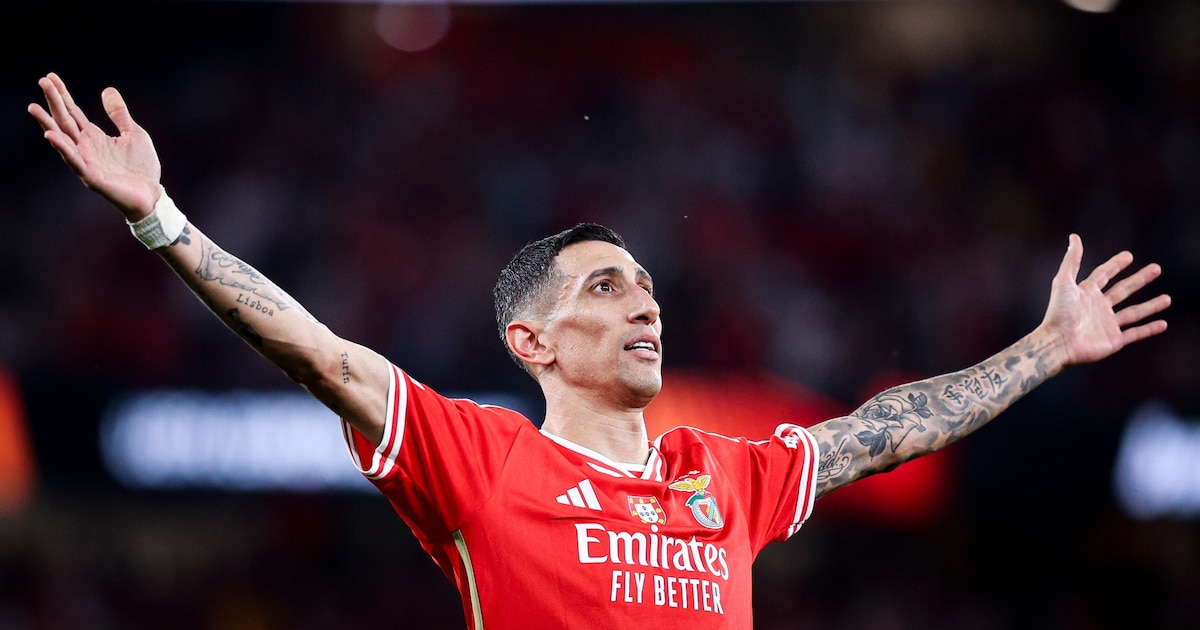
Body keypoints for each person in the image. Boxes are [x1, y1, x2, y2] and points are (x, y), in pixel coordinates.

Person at [29, 72, 1170, 629]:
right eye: (607, 286)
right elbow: (321, 355)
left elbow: (886, 431)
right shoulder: (482, 462)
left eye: (649, 286)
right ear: (529, 340)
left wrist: (1047, 347)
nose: (645, 304)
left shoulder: (723, 476)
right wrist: (160, 219)